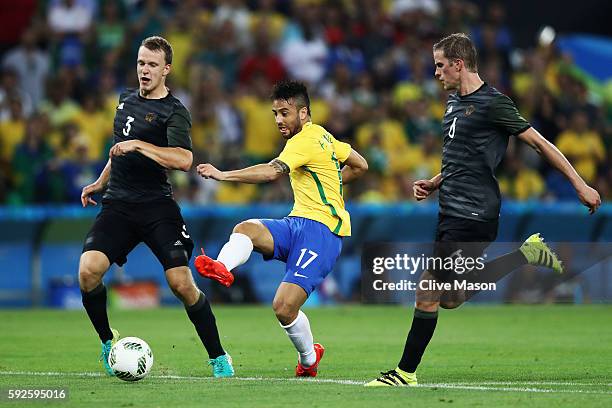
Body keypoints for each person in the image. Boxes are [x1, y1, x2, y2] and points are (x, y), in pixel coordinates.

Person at [366, 33, 601, 387]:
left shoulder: (494, 103)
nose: (436, 73)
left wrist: (579, 184)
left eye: (440, 65)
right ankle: (526, 254)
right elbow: (464, 156)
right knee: (451, 298)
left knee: (428, 291)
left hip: (473, 212)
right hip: (451, 210)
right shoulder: (452, 105)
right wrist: (434, 181)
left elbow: (538, 143)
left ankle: (403, 373)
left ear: (459, 65)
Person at [79, 36, 234, 378]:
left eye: (151, 64)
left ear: (166, 70)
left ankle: (218, 358)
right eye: (140, 63)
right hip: (118, 204)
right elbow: (118, 150)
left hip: (156, 207)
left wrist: (139, 145)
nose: (144, 70)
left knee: (181, 284)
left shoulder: (175, 112)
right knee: (88, 272)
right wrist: (100, 182)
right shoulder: (124, 101)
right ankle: (108, 343)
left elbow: (183, 159)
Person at [195, 80, 368, 377]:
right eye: (275, 113)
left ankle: (309, 358)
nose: (278, 120)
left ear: (303, 113)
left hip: (323, 232)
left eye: (284, 113)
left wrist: (223, 175)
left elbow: (271, 172)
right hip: (297, 222)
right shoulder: (324, 136)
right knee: (246, 228)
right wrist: (334, 182)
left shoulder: (304, 141)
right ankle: (222, 267)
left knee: (283, 307)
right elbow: (361, 164)